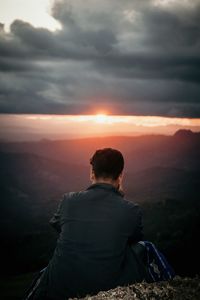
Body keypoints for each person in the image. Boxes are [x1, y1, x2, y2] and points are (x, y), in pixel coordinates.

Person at [31, 148, 150, 300]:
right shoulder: (132, 210)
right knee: (145, 247)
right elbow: (135, 238)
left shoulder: (68, 200)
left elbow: (57, 225)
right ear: (121, 175)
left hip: (57, 288)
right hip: (106, 288)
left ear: (92, 173)